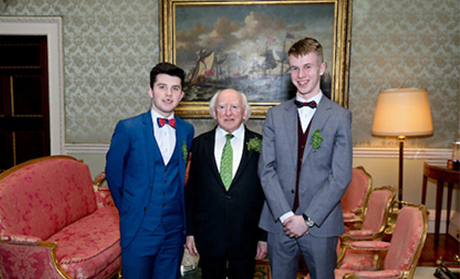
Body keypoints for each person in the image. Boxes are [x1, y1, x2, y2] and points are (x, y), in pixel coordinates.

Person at [258, 37, 353, 279]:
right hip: (279, 224)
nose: (301, 74)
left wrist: (307, 219)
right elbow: (266, 170)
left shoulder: (340, 117)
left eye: (308, 66)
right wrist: (287, 216)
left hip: (321, 225)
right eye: (295, 68)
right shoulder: (275, 116)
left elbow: (340, 176)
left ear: (321, 68)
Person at [105, 62, 195, 279]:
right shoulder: (128, 128)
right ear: (150, 91)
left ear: (181, 95)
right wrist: (130, 209)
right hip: (139, 228)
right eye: (162, 87)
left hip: (174, 231)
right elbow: (114, 176)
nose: (168, 94)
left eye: (174, 88)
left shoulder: (186, 130)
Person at [185, 89, 268, 279]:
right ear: (214, 113)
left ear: (245, 113)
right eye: (222, 107)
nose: (228, 113)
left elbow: (267, 196)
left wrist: (264, 237)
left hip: (247, 235)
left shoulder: (262, 145)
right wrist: (190, 232)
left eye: (235, 107)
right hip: (209, 234)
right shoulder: (198, 145)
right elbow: (191, 193)